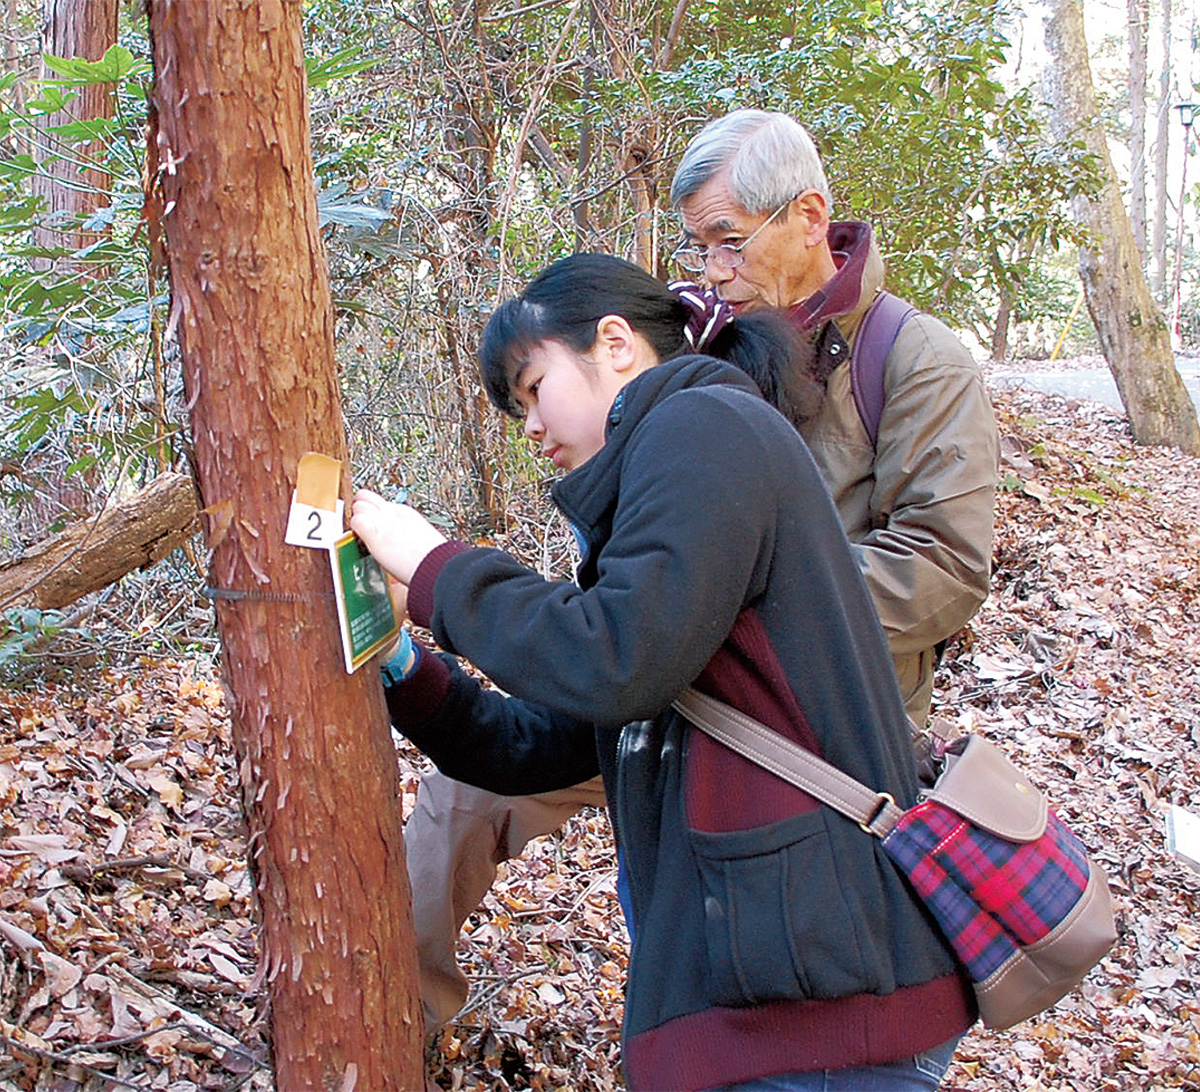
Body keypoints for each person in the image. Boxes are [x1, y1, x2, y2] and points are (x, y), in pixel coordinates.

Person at [402, 108, 999, 1031]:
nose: (712, 270)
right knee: (467, 796)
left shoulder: (913, 360)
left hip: (808, 721)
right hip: (652, 670)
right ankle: (399, 1027)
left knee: (741, 915)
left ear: (809, 215)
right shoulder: (696, 354)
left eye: (728, 242)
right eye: (698, 247)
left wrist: (744, 605)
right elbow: (637, 589)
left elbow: (947, 563)